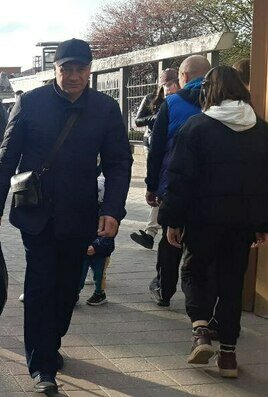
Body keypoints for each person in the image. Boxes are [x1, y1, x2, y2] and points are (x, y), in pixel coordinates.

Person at [0, 39, 132, 394]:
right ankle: (42, 367)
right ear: (55, 69)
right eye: (67, 69)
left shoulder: (105, 109)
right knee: (40, 287)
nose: (74, 75)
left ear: (90, 70)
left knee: (67, 291)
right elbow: (7, 157)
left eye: (80, 69)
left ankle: (50, 343)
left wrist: (112, 210)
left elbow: (118, 163)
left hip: (81, 214)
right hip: (36, 213)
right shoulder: (31, 103)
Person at [158, 66, 268, 378]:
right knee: (232, 282)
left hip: (202, 220)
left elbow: (180, 179)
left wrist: (172, 220)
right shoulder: (262, 130)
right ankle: (228, 357)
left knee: (194, 272)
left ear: (209, 92)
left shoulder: (196, 127)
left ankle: (201, 332)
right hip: (241, 223)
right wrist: (262, 222)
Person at [146, 55, 211, 307]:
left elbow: (156, 149)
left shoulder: (171, 103)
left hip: (173, 184)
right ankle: (200, 294)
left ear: (183, 76)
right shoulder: (218, 101)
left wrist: (152, 186)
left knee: (170, 237)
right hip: (209, 188)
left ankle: (164, 289)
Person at [131, 68, 180, 250]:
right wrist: (157, 117)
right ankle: (152, 231)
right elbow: (138, 121)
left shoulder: (181, 99)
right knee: (160, 184)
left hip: (171, 146)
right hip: (152, 145)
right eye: (166, 83)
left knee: (163, 186)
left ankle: (151, 232)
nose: (169, 87)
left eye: (172, 83)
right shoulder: (151, 98)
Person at [79, 172, 115, 306]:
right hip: (85, 249)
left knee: (99, 274)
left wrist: (96, 246)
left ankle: (99, 293)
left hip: (100, 251)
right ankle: (74, 293)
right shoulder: (84, 212)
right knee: (79, 274)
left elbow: (108, 236)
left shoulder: (107, 216)